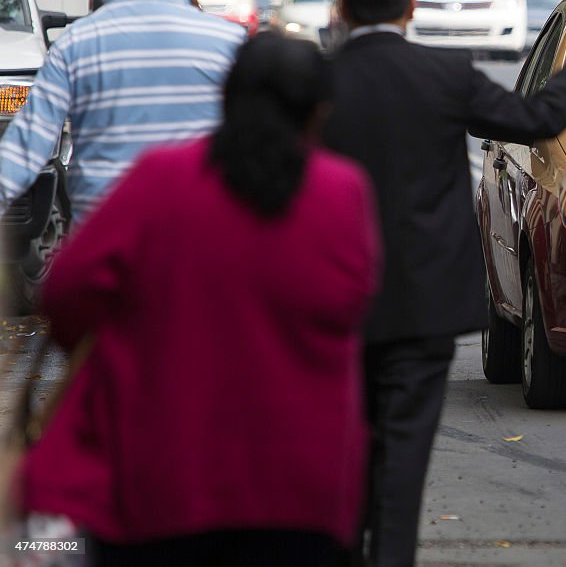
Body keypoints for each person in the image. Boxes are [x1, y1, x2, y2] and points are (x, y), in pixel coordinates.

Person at [17, 33, 380, 567]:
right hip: (304, 481)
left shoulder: (161, 178)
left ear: (227, 97)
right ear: (318, 113)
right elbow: (354, 302)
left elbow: (69, 287)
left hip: (162, 472)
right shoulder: (342, 192)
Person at [323, 0, 566, 567]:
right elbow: (537, 118)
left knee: (340, 459)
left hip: (334, 307)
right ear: (412, 7)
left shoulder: (316, 83)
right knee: (403, 465)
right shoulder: (446, 76)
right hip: (425, 308)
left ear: (341, 5)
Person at [0, 0, 244, 223]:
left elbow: (24, 148)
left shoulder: (76, 43)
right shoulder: (232, 45)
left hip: (103, 237)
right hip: (196, 236)